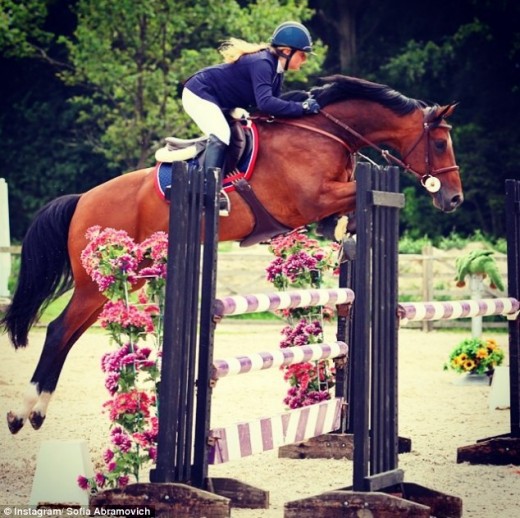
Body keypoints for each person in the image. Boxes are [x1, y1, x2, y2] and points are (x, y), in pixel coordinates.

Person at [182, 21, 320, 215]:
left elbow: (273, 108)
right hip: (199, 93)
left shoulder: (277, 71)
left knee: (239, 135)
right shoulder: (263, 63)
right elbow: (265, 103)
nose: (304, 60)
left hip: (220, 101)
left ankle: (224, 182)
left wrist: (302, 105)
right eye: (302, 54)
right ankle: (207, 191)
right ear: (287, 51)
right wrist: (302, 108)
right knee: (221, 134)